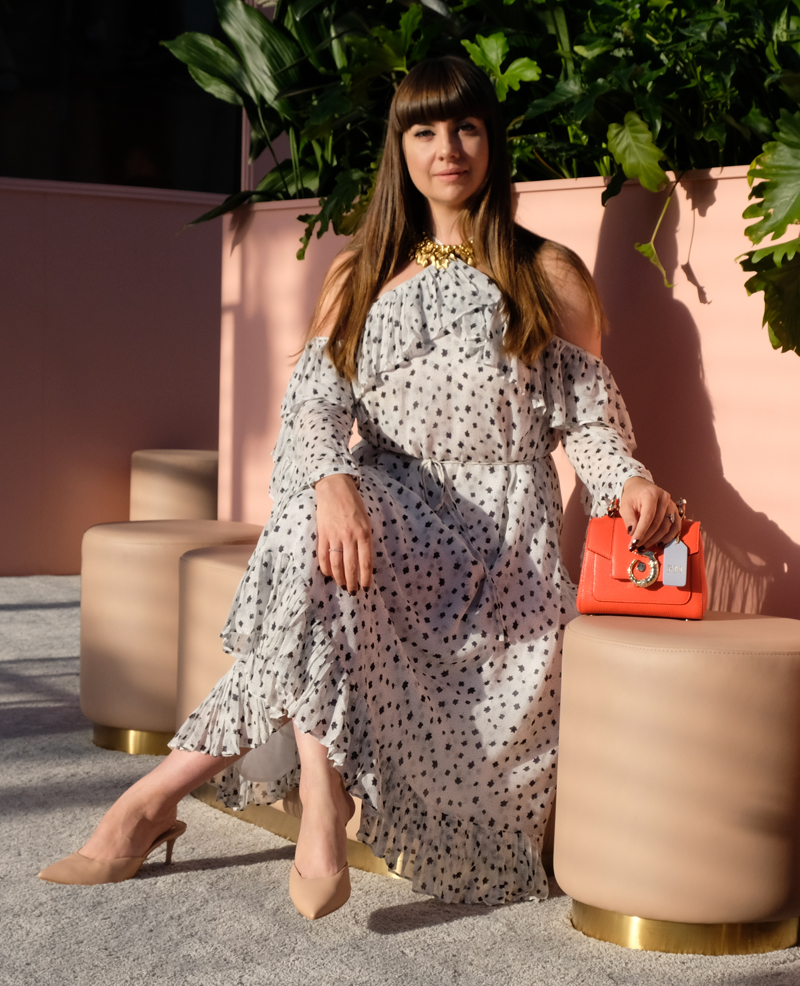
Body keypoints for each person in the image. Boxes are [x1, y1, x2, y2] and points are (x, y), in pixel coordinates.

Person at [39, 56, 681, 917]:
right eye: (423, 130)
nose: (446, 148)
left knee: (320, 568)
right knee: (318, 528)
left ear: (492, 141)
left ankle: (153, 804)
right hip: (379, 514)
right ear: (400, 148)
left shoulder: (547, 274)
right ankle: (317, 792)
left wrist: (628, 483)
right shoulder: (360, 277)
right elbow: (309, 417)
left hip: (494, 551)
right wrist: (335, 482)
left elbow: (589, 423)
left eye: (465, 127)